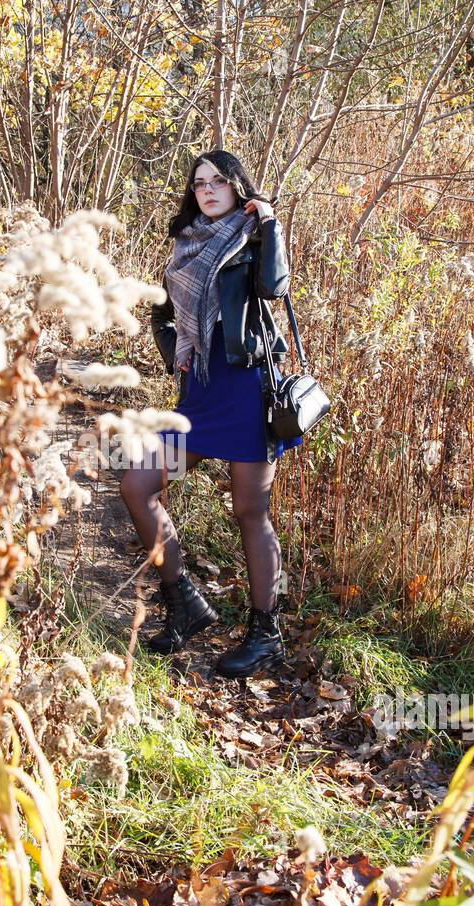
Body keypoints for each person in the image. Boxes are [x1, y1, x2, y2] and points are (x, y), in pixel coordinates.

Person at [118, 149, 302, 679]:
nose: (207, 189)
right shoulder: (187, 241)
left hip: (247, 386)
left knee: (250, 511)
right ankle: (186, 603)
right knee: (138, 484)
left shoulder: (253, 235)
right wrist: (173, 348)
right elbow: (164, 306)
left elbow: (273, 288)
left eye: (219, 180)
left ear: (238, 185)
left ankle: (266, 635)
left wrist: (270, 223)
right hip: (200, 388)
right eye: (199, 182)